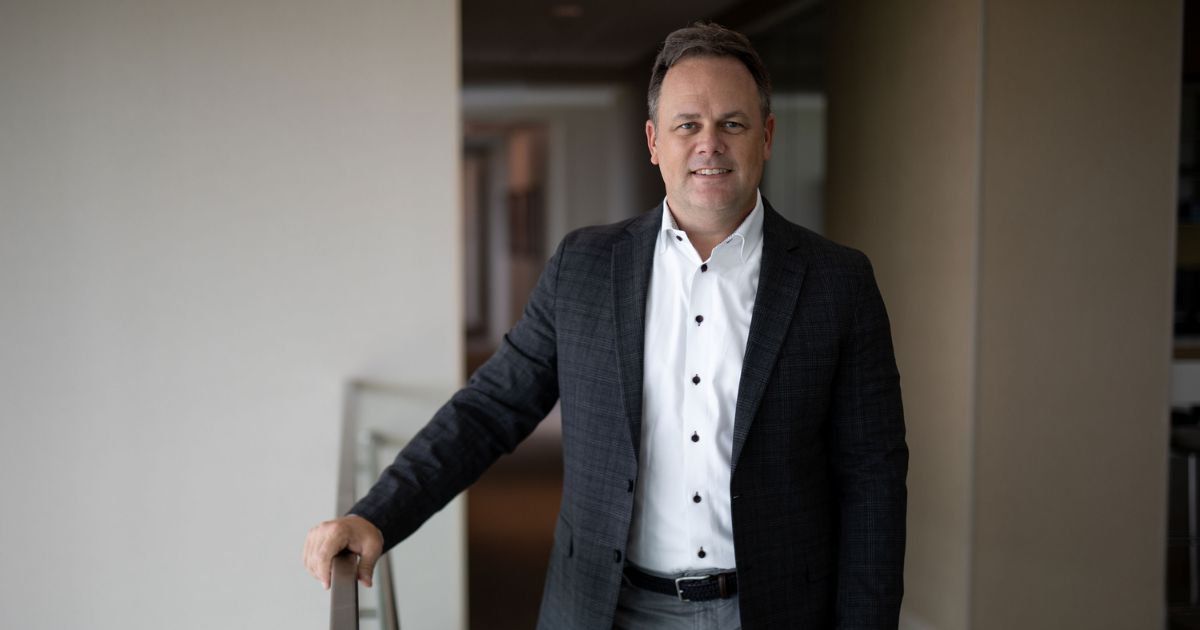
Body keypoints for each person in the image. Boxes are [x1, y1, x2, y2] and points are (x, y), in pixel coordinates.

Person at [304, 22, 907, 630]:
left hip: (774, 609)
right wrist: (377, 515)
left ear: (767, 135)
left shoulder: (837, 283)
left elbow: (873, 480)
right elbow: (489, 409)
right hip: (604, 606)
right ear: (653, 141)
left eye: (733, 123)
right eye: (687, 125)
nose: (709, 144)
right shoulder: (586, 267)